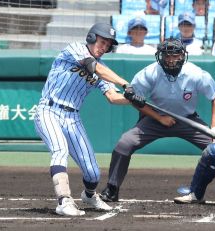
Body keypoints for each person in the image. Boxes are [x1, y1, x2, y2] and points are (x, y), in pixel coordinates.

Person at [34, 22, 143, 216]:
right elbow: (93, 67)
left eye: (108, 45)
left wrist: (132, 99)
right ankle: (64, 201)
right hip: (48, 110)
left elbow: (112, 97)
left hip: (72, 117)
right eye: (102, 42)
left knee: (93, 172)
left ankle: (89, 195)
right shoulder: (75, 49)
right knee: (60, 150)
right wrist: (125, 83)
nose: (104, 47)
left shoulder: (104, 68)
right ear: (92, 38)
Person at [99, 38, 215, 202]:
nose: (171, 60)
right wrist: (160, 118)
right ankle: (112, 189)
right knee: (124, 143)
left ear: (182, 56)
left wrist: (214, 127)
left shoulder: (196, 73)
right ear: (160, 57)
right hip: (155, 118)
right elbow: (136, 100)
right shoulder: (149, 73)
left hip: (187, 120)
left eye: (175, 56)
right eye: (167, 56)